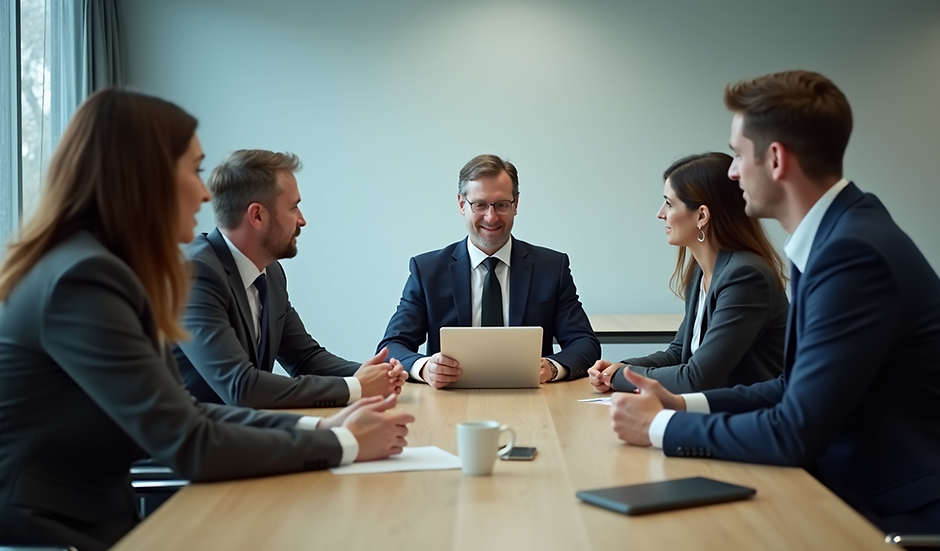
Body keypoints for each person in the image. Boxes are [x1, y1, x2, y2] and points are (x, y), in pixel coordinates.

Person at [0, 89, 413, 551]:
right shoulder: (85, 277)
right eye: (194, 170)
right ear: (144, 177)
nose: (203, 193)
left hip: (96, 516)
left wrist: (324, 428)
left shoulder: (97, 267)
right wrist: (344, 445)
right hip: (55, 531)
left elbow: (185, 411)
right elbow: (190, 439)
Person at [609, 70, 940, 534]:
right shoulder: (836, 236)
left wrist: (659, 428)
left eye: (739, 154)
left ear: (777, 159)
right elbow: (791, 387)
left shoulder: (852, 254)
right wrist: (683, 407)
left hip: (896, 510)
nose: (731, 171)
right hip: (854, 486)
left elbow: (794, 430)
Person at [173, 150, 407, 408]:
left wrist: (374, 373)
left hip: (247, 433)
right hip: (193, 442)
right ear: (257, 216)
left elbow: (305, 358)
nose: (302, 220)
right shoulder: (194, 275)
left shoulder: (270, 272)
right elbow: (241, 387)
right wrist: (356, 386)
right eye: (293, 207)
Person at [378, 154, 601, 388]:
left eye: (502, 205)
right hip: (449, 399)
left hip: (533, 398)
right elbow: (392, 346)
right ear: (462, 204)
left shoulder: (551, 268)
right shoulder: (427, 271)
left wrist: (553, 368)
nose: (491, 217)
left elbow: (585, 343)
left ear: (515, 205)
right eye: (480, 204)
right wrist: (425, 368)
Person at [587, 152, 786, 394]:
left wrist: (621, 377)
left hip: (751, 421)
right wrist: (623, 367)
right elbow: (678, 353)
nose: (660, 214)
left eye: (669, 204)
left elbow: (696, 378)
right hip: (715, 414)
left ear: (701, 215)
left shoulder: (745, 277)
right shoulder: (701, 273)